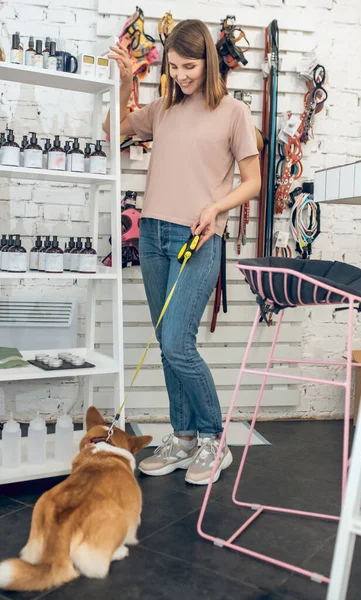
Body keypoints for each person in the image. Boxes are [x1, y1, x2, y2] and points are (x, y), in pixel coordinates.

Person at [104, 19, 261, 486]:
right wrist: (127, 82)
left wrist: (216, 206)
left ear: (208, 61)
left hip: (197, 238)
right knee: (166, 347)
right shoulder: (162, 109)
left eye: (188, 66)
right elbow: (112, 132)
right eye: (173, 68)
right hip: (151, 236)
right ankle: (183, 437)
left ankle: (215, 439)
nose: (180, 76)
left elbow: (252, 182)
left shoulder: (234, 112)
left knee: (177, 342)